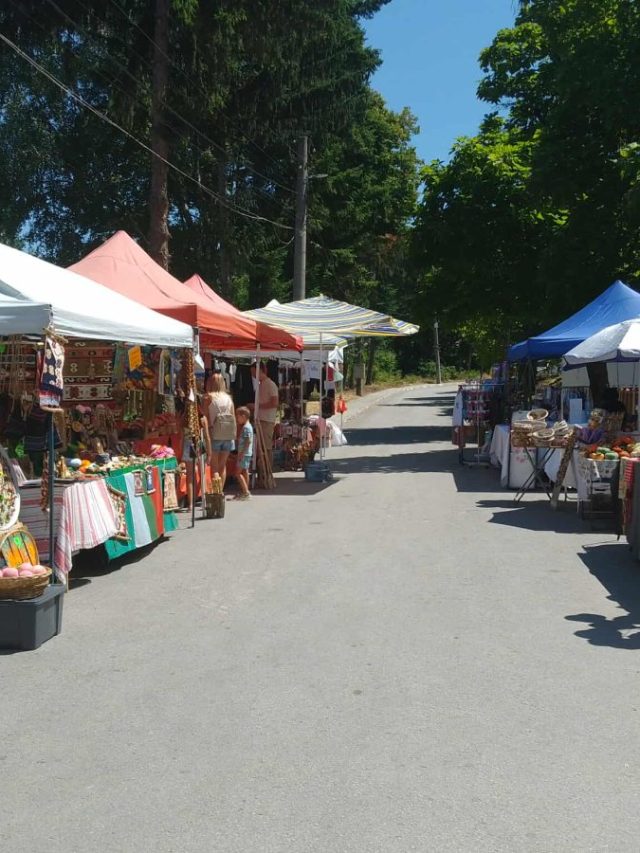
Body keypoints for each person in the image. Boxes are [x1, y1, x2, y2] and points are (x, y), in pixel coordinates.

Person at [207, 373, 236, 492]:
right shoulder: (229, 398)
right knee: (222, 465)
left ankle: (216, 492)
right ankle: (221, 491)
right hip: (228, 435)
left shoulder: (208, 397)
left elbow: (206, 417)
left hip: (214, 433)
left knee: (214, 467)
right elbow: (233, 416)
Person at [250, 361, 279, 454]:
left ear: (260, 370)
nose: (253, 375)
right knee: (261, 447)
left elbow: (274, 403)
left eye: (254, 372)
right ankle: (262, 463)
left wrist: (257, 406)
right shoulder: (260, 384)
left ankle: (267, 463)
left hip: (267, 420)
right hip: (260, 419)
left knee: (266, 447)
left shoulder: (270, 384)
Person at [234, 406, 253, 501]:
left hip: (244, 454)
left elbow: (248, 441)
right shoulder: (248, 426)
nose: (237, 419)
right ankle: (245, 490)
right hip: (247, 453)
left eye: (238, 417)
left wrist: (242, 453)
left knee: (237, 473)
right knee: (245, 471)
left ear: (243, 416)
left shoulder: (246, 428)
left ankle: (246, 492)